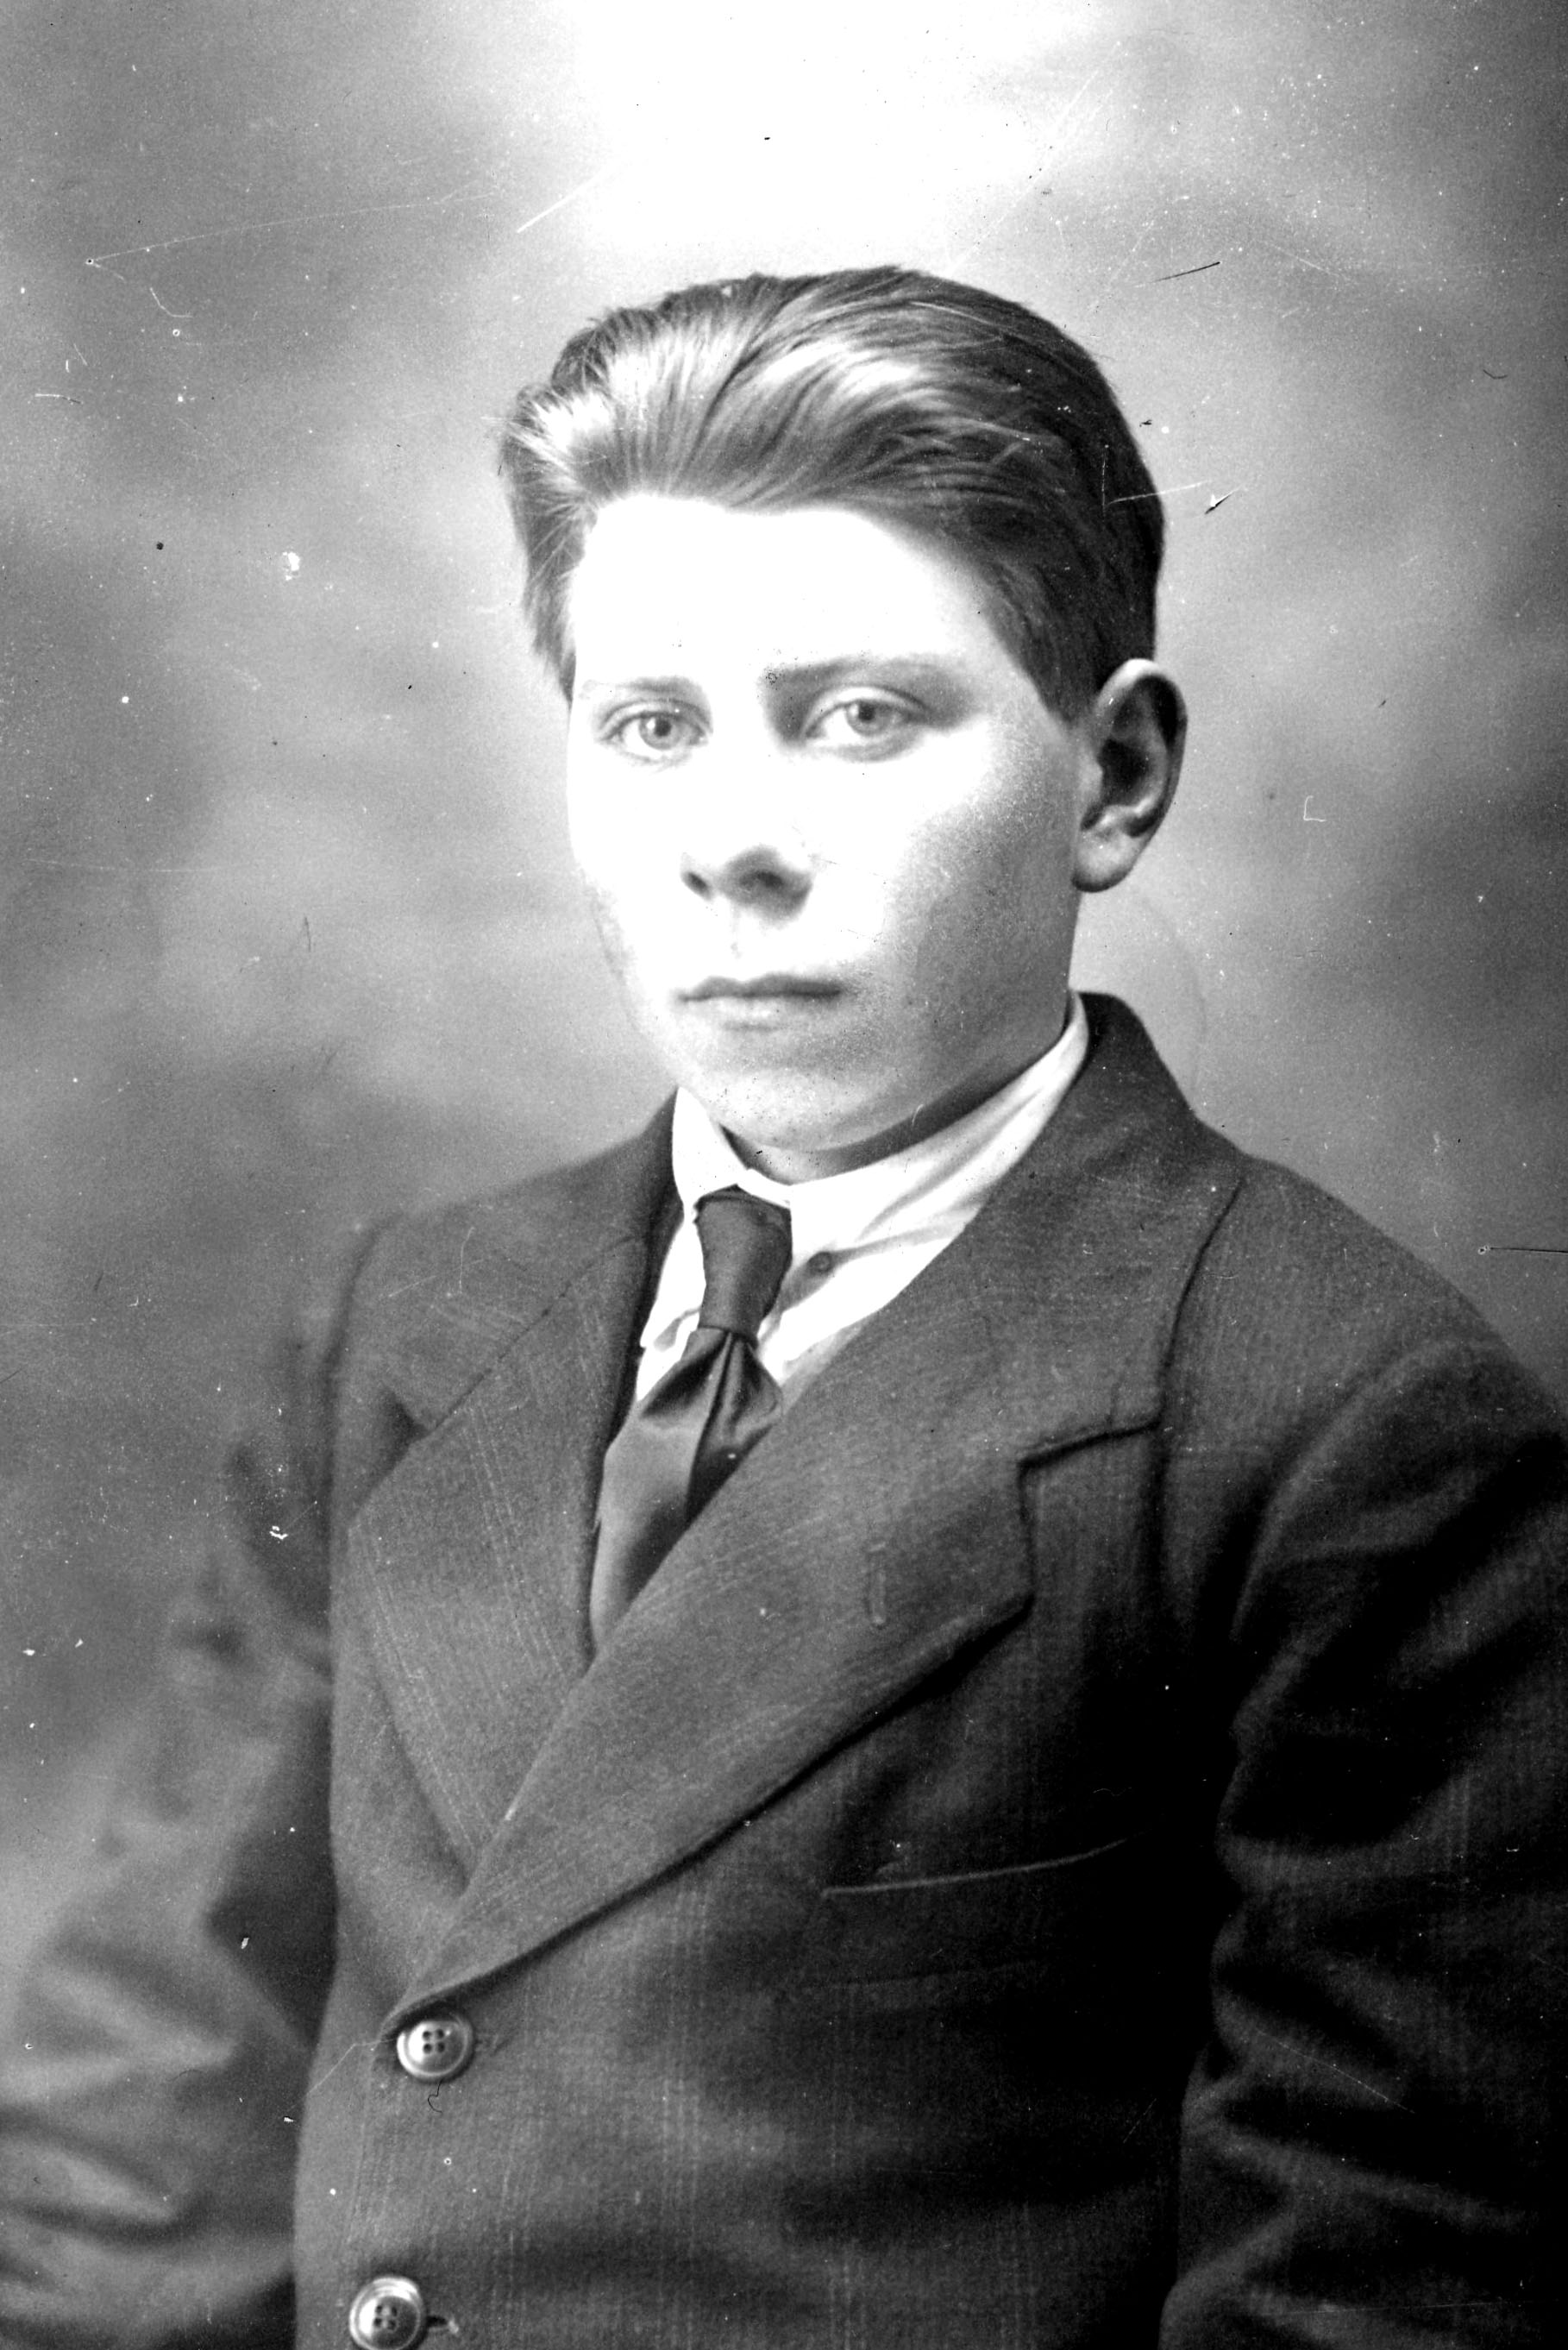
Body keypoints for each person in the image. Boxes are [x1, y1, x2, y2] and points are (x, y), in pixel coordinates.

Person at [2, 267, 1565, 2350]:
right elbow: (149, 2119)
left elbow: (1366, 2293)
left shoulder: (1341, 1425)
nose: (733, 844)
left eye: (860, 718)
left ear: (1113, 778)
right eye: (652, 728)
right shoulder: (405, 1326)